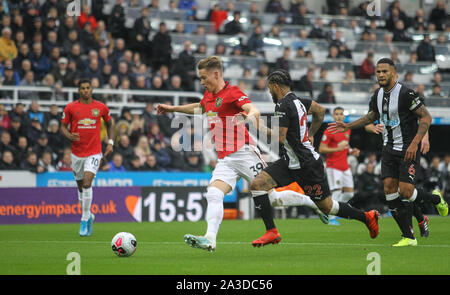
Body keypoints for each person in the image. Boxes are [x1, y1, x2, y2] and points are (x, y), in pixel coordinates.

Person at [157, 56, 318, 251]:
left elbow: (252, 109)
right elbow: (200, 108)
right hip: (225, 159)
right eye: (200, 78)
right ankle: (210, 238)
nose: (202, 82)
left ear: (216, 74)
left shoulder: (232, 92)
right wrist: (172, 108)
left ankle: (314, 203)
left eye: (204, 77)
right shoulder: (208, 96)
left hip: (245, 153)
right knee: (214, 194)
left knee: (274, 199)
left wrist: (250, 116)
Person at [248, 69, 380, 246]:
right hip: (290, 162)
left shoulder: (282, 105)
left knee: (327, 207)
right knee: (257, 184)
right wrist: (310, 133)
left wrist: (258, 125)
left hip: (306, 165)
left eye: (270, 88)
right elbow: (320, 110)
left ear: (276, 86)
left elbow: (280, 137)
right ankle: (271, 231)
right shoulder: (298, 101)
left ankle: (367, 217)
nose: (269, 92)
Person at [328, 58, 448, 247]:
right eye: (378, 72)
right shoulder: (377, 95)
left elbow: (426, 117)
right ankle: (408, 236)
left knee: (406, 191)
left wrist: (416, 143)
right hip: (389, 149)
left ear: (393, 73)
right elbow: (371, 116)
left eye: (385, 71)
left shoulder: (406, 94)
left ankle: (435, 199)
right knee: (390, 193)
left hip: (407, 148)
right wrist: (348, 126)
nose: (381, 74)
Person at [60, 78, 114, 237]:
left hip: (94, 152)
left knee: (87, 183)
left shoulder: (100, 107)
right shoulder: (71, 108)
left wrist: (110, 142)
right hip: (77, 153)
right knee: (80, 187)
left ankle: (84, 219)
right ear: (79, 91)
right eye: (82, 88)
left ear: (91, 89)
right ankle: (89, 214)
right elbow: (62, 126)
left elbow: (110, 124)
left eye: (87, 88)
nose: (85, 90)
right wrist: (69, 136)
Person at [319, 106, 361, 225]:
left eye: (341, 114)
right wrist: (338, 148)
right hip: (333, 165)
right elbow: (321, 148)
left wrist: (352, 151)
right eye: (336, 114)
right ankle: (330, 217)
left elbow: (345, 146)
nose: (338, 116)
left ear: (344, 116)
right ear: (333, 116)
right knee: (336, 191)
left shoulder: (347, 129)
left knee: (349, 193)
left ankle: (334, 210)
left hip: (344, 165)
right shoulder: (329, 131)